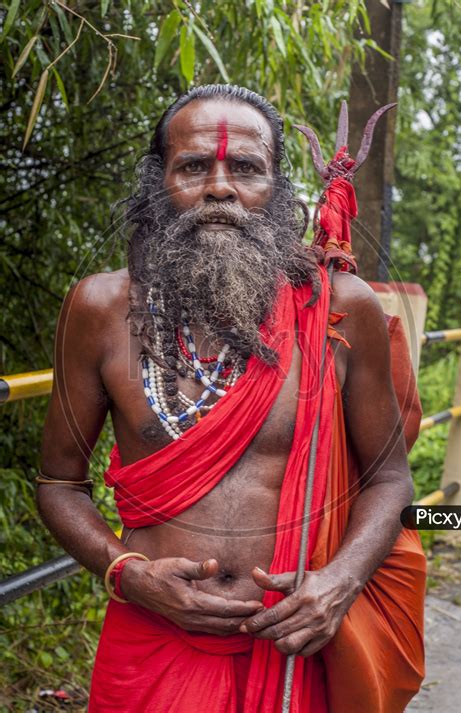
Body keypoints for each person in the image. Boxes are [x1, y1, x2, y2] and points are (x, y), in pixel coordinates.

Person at [37, 84, 426, 712]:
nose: (220, 188)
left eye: (244, 168)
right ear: (158, 183)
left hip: (300, 653)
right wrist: (128, 575)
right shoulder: (100, 310)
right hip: (153, 647)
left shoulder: (340, 310)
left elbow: (388, 480)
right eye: (194, 166)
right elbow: (57, 483)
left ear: (277, 189)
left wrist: (339, 583)